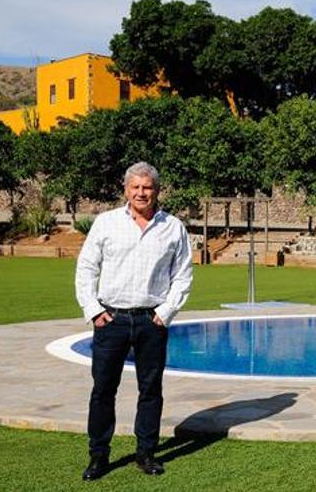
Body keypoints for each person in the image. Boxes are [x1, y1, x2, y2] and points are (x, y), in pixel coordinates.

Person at [75, 162, 192, 480]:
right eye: (136, 187)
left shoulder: (173, 227)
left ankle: (146, 453)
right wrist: (94, 310)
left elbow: (182, 276)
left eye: (148, 187)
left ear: (157, 190)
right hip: (111, 319)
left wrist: (164, 313)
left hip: (150, 321)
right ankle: (98, 456)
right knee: (102, 390)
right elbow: (86, 268)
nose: (142, 193)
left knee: (151, 390)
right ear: (126, 189)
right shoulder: (106, 223)